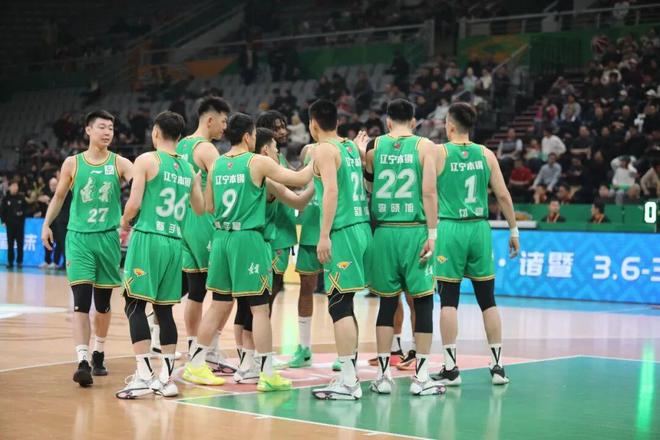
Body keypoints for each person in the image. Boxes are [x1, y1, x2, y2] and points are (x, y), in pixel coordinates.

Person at [184, 113, 313, 392]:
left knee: (218, 305)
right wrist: (322, 155)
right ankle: (267, 373)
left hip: (221, 238)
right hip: (247, 238)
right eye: (254, 133)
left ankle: (195, 363)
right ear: (247, 136)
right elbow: (300, 177)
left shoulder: (217, 165)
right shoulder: (257, 162)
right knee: (259, 308)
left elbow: (209, 207)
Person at [41, 110, 134, 387]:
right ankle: (82, 360)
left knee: (103, 305)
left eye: (111, 128)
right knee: (81, 302)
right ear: (88, 130)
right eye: (102, 127)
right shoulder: (73, 163)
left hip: (107, 239)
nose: (107, 132)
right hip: (79, 238)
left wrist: (130, 217)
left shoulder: (119, 162)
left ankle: (98, 351)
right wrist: (46, 224)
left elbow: (140, 184)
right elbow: (59, 197)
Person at [358, 98, 444, 396]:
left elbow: (369, 188)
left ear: (388, 121)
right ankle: (422, 377)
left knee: (386, 303)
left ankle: (383, 376)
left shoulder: (374, 147)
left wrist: (363, 158)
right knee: (423, 302)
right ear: (414, 120)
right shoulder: (425, 146)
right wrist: (432, 234)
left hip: (383, 232)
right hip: (414, 231)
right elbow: (429, 192)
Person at [116, 111, 204, 399]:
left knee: (134, 304)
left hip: (148, 238)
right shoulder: (188, 169)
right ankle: (166, 379)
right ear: (179, 136)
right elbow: (200, 209)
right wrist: (198, 180)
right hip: (174, 243)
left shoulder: (146, 160)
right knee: (164, 311)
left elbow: (134, 204)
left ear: (155, 132)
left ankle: (143, 376)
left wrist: (124, 222)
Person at [431, 102, 519, 386]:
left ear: (450, 125)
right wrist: (514, 230)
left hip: (450, 228)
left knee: (448, 301)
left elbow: (426, 193)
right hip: (479, 228)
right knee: (488, 301)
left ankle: (451, 368)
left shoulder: (439, 152)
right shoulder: (486, 154)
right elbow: (503, 195)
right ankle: (498, 367)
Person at [232, 128, 314, 383]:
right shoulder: (266, 177)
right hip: (259, 243)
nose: (279, 153)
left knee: (241, 305)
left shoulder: (234, 168)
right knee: (259, 307)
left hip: (230, 241)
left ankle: (244, 361)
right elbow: (299, 198)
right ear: (265, 150)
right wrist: (319, 170)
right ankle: (259, 365)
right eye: (276, 149)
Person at [308, 99, 371, 400]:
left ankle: (348, 381)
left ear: (313, 124)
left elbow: (331, 191)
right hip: (361, 227)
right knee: (346, 302)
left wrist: (323, 235)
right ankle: (350, 372)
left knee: (338, 305)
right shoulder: (348, 147)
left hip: (342, 231)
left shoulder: (323, 149)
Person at [175, 97, 235, 373]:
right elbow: (224, 185)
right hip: (205, 222)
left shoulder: (180, 145)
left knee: (196, 291)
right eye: (223, 121)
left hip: (183, 222)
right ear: (210, 119)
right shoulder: (207, 149)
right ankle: (210, 349)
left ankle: (193, 346)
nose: (225, 127)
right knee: (225, 291)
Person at [1, 181, 27, 269]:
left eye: (16, 186)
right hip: (10, 225)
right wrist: (3, 221)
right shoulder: (6, 198)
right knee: (10, 244)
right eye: (13, 186)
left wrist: (22, 216)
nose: (15, 187)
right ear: (9, 187)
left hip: (20, 225)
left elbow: (25, 210)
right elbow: (2, 211)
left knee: (20, 244)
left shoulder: (21, 198)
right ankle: (10, 262)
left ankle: (19, 262)